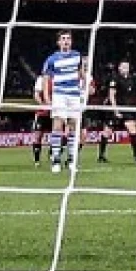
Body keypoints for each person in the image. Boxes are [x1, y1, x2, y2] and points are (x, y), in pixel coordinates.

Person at [41, 30, 90, 174]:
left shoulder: (77, 56)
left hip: (74, 95)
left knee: (73, 126)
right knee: (57, 125)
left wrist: (85, 87)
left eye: (68, 38)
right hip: (59, 95)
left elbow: (81, 74)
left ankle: (71, 159)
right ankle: (56, 159)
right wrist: (46, 97)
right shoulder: (51, 59)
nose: (66, 41)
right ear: (58, 42)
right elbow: (46, 79)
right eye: (63, 39)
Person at [100, 60, 136, 164]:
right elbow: (111, 95)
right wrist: (115, 110)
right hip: (115, 108)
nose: (125, 68)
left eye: (127, 66)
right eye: (123, 66)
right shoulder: (115, 78)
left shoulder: (131, 79)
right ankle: (101, 155)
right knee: (107, 132)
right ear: (119, 68)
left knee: (133, 130)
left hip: (126, 108)